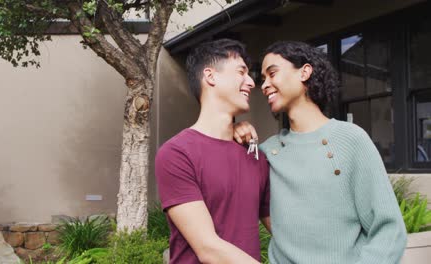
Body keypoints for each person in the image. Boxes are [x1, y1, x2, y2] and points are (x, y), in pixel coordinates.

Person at [233, 41, 407, 264]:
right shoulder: (267, 152)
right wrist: (234, 132)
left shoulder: (351, 139)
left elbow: (389, 230)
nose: (265, 85)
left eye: (272, 73)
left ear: (305, 72)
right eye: (263, 79)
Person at [155, 39, 271, 264]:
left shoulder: (254, 153)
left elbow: (278, 226)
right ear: (210, 76)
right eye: (241, 72)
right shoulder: (176, 153)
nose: (251, 82)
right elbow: (208, 248)